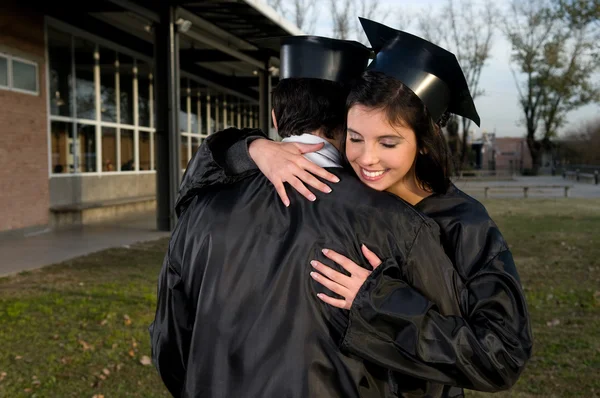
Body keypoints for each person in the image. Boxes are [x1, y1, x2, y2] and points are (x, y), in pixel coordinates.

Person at [180, 18, 533, 397]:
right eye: (355, 137)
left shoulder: (464, 224)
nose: (367, 158)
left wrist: (378, 301)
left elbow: (501, 356)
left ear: (425, 142)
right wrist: (254, 147)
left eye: (388, 142)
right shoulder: (358, 202)